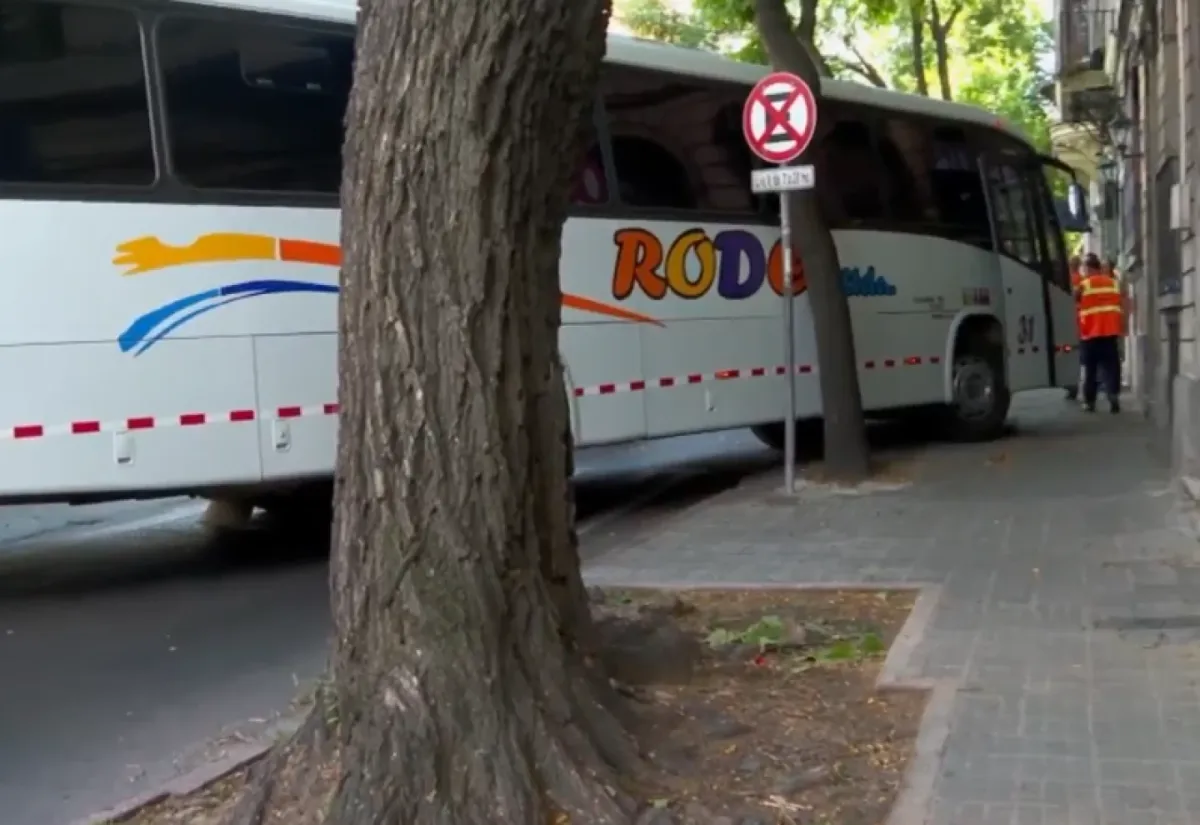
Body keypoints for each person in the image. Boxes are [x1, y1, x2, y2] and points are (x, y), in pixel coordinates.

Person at [1075, 253, 1125, 413]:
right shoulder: (1113, 283)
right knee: (1112, 367)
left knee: (1090, 370)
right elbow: (1121, 304)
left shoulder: (1084, 286)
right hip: (1110, 332)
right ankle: (1113, 395)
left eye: (1085, 268)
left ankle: (1089, 402)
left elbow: (1075, 302)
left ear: (1089, 268)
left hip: (1090, 334)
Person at [1065, 254, 1083, 401]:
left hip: (1070, 321)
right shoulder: (1082, 280)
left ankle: (1072, 386)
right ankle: (1073, 385)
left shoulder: (1067, 280)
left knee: (1069, 353)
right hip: (1081, 322)